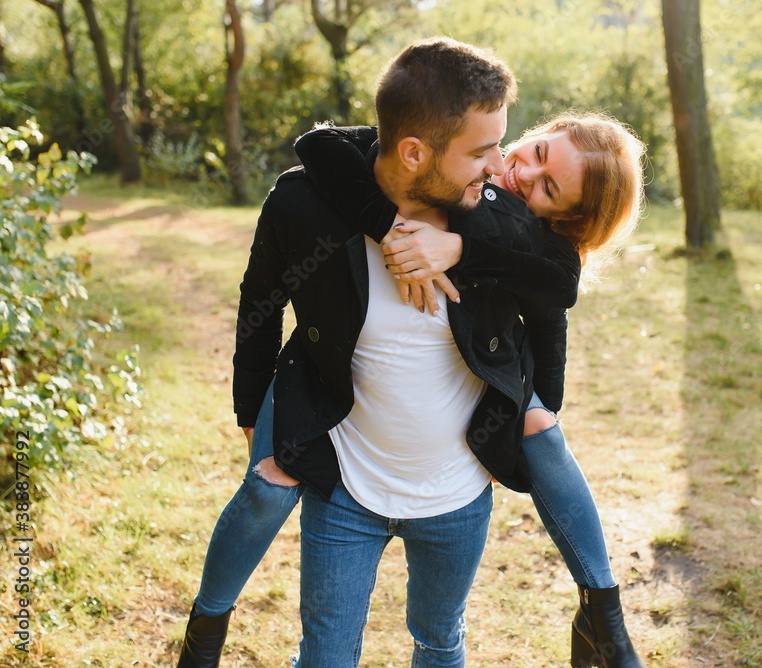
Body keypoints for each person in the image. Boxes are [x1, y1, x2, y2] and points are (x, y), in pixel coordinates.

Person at [178, 37, 581, 668]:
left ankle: (603, 612)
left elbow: (555, 293)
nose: (499, 166)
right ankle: (204, 631)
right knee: (326, 653)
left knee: (441, 641)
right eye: (481, 150)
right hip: (346, 488)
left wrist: (536, 405)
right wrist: (251, 406)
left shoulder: (491, 215)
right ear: (415, 152)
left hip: (456, 494)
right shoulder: (303, 204)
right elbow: (260, 302)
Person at [294, 110, 647, 668]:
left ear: (566, 218)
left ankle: (602, 609)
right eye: (537, 153)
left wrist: (457, 251)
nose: (523, 174)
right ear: (539, 133)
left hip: (473, 418)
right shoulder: (463, 159)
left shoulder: (539, 241)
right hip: (361, 437)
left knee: (542, 429)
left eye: (548, 188)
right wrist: (391, 226)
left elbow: (556, 304)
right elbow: (318, 144)